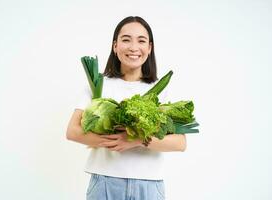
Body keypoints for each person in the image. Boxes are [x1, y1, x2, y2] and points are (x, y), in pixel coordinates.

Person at [66, 16, 186, 200]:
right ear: (115, 46)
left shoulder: (159, 89)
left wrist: (136, 140)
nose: (133, 47)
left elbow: (180, 142)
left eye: (141, 40)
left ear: (149, 48)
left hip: (149, 185)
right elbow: (73, 131)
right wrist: (116, 141)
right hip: (105, 183)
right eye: (126, 39)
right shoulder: (98, 84)